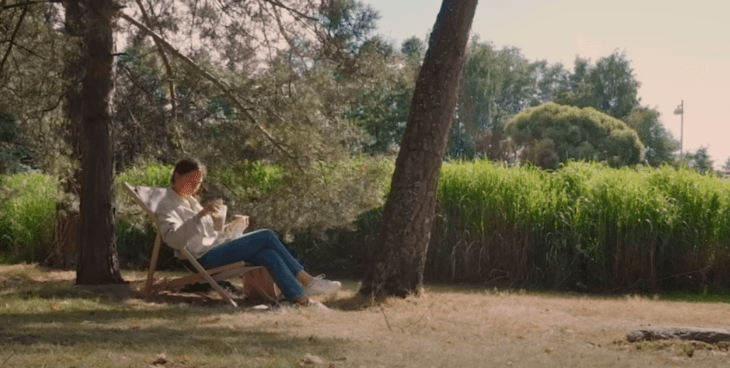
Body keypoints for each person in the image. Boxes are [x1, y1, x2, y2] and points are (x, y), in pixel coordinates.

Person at [155, 158, 341, 306]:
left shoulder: (190, 201)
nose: (195, 187)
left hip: (213, 250)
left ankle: (301, 299)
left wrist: (224, 222)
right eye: (191, 181)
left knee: (268, 254)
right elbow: (173, 239)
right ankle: (307, 281)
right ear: (178, 176)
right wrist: (200, 216)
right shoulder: (166, 204)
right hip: (202, 259)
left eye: (199, 183)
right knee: (266, 235)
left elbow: (211, 235)